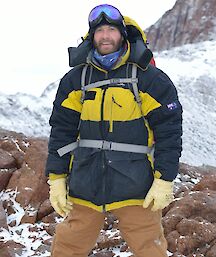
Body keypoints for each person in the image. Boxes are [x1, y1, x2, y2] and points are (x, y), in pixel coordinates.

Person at [45, 4, 182, 257]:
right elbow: (61, 132)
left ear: (122, 34)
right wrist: (57, 177)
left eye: (111, 30)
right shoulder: (76, 80)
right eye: (99, 31)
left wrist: (164, 179)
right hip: (86, 182)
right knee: (67, 248)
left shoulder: (149, 78)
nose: (105, 36)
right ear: (91, 36)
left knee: (149, 249)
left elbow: (169, 132)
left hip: (137, 185)